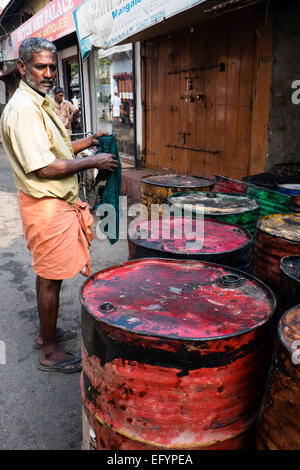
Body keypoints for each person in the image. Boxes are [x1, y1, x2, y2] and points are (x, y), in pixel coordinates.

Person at [0, 37, 118, 373]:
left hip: (54, 204)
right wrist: (93, 162)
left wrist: (89, 143)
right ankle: (49, 351)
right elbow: (44, 166)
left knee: (49, 274)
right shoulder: (23, 110)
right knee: (50, 278)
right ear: (22, 68)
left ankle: (45, 334)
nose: (49, 73)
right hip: (46, 206)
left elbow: (59, 150)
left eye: (52, 67)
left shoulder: (39, 101)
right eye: (41, 67)